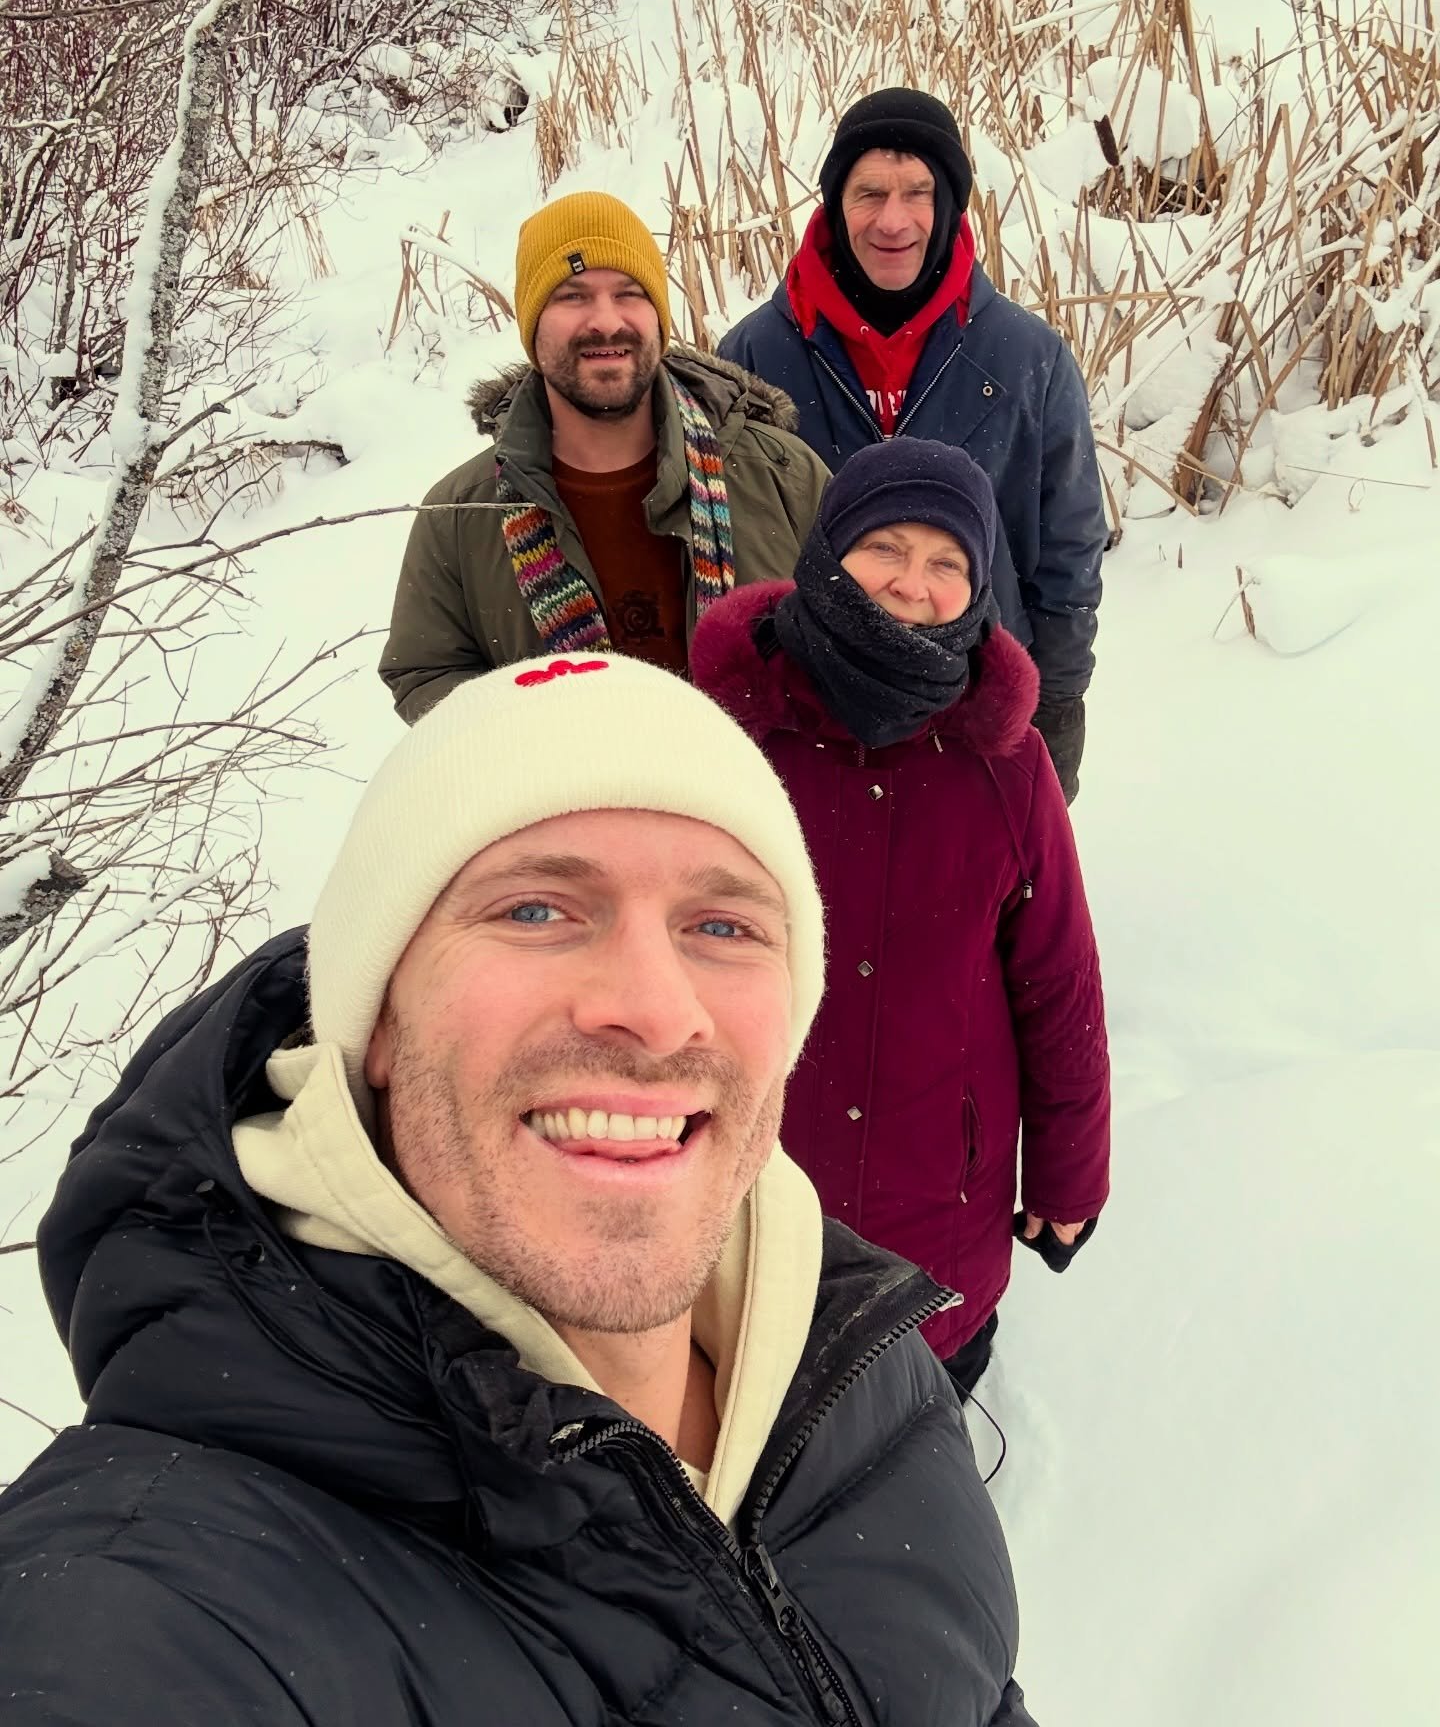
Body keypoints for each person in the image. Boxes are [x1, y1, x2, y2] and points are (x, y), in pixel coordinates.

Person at [0, 654, 1038, 1726]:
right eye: (537, 910)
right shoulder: (136, 1629)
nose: (655, 1009)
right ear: (378, 1022)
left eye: (723, 927)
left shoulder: (867, 1372)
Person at [691, 438, 1110, 1402]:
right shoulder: (733, 732)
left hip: (938, 1211)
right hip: (747, 1196)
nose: (913, 584)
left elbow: (1059, 981)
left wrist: (1069, 1176)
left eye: (947, 561)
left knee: (914, 1439)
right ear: (829, 550)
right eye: (886, 545)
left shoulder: (1007, 764)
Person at [717, 88, 1106, 802]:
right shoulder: (752, 357)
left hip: (976, 712)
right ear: (836, 205)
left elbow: (1068, 547)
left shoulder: (1029, 357)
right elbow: (723, 548)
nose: (892, 221)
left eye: (917, 192)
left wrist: (1058, 696)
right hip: (812, 716)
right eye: (869, 193)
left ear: (949, 204)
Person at [380, 192, 830, 722]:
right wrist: (528, 740)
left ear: (658, 317)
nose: (605, 321)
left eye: (628, 293)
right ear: (532, 325)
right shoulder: (461, 514)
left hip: (760, 777)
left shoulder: (783, 476)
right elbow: (426, 673)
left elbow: (862, 637)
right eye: (572, 296)